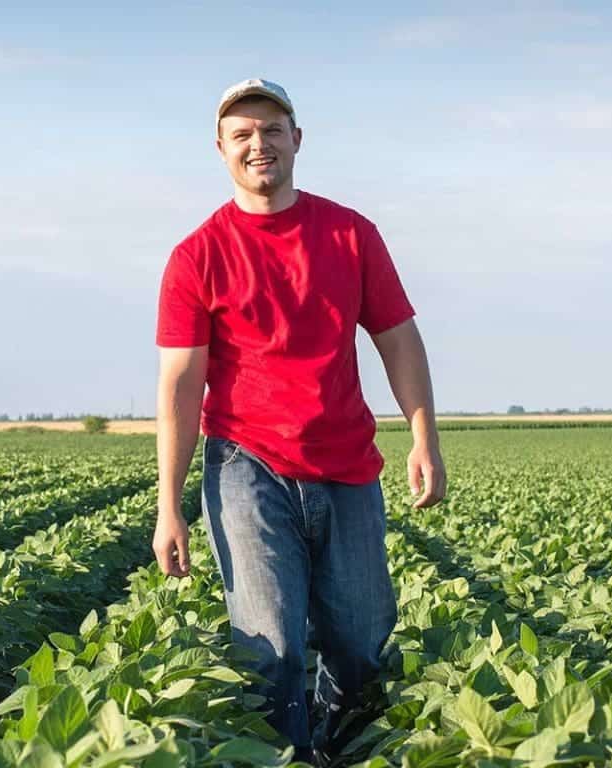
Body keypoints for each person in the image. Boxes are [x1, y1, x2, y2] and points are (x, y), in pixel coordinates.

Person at [153, 78, 446, 765]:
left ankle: (335, 743)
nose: (258, 144)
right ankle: (285, 753)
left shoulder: (350, 234)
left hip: (346, 462)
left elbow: (398, 338)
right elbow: (181, 384)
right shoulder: (197, 255)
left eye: (272, 129)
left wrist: (423, 437)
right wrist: (170, 506)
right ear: (221, 150)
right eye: (242, 134)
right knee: (270, 650)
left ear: (297, 139)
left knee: (361, 642)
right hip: (246, 464)